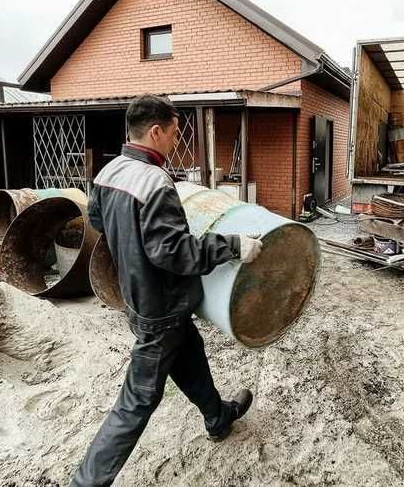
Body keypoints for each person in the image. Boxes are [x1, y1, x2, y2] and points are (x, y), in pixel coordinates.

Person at [71, 94, 262, 486]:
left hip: (139, 297)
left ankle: (217, 417)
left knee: (189, 354)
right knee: (138, 400)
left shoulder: (109, 172)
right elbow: (174, 253)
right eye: (174, 133)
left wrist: (133, 245)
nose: (176, 141)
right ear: (155, 131)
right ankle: (86, 482)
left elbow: (98, 220)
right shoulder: (156, 182)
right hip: (161, 308)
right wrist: (233, 246)